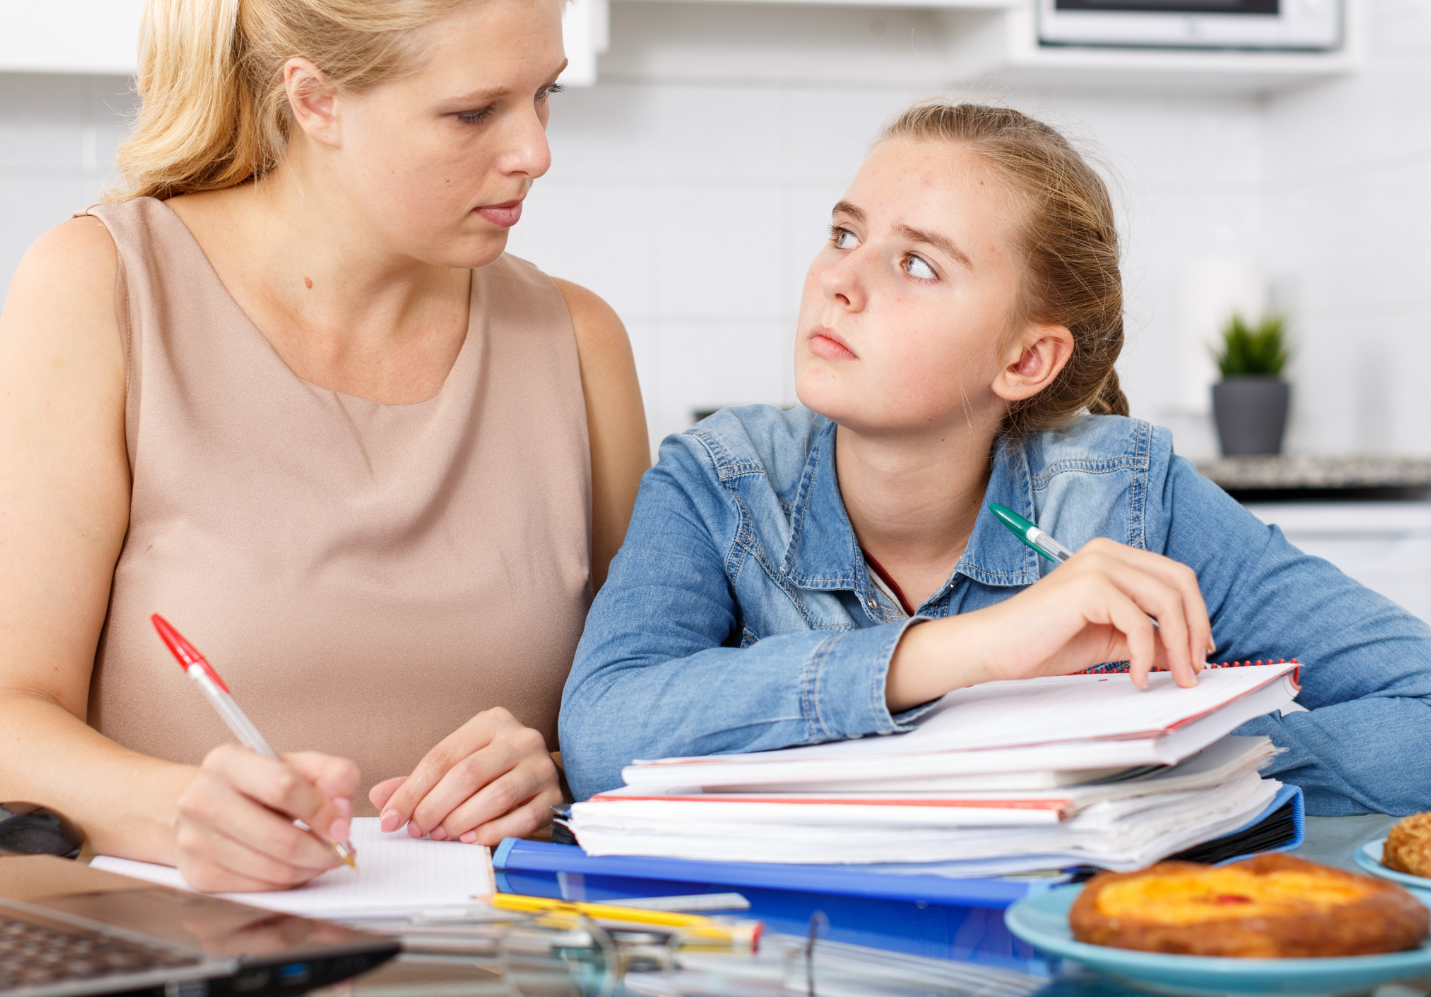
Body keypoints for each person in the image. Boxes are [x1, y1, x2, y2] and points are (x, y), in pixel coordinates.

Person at [0, 0, 649, 892]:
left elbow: (660, 710)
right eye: (475, 112)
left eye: (544, 95)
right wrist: (176, 810)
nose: (534, 152)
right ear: (314, 101)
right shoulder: (101, 287)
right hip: (181, 960)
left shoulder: (578, 342)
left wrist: (560, 769)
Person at [560, 101, 1431, 815]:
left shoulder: (1130, 495)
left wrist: (1166, 772)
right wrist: (971, 652)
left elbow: (1418, 708)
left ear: (1025, 360)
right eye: (842, 233)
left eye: (916, 263)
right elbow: (601, 738)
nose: (841, 280)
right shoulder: (719, 477)